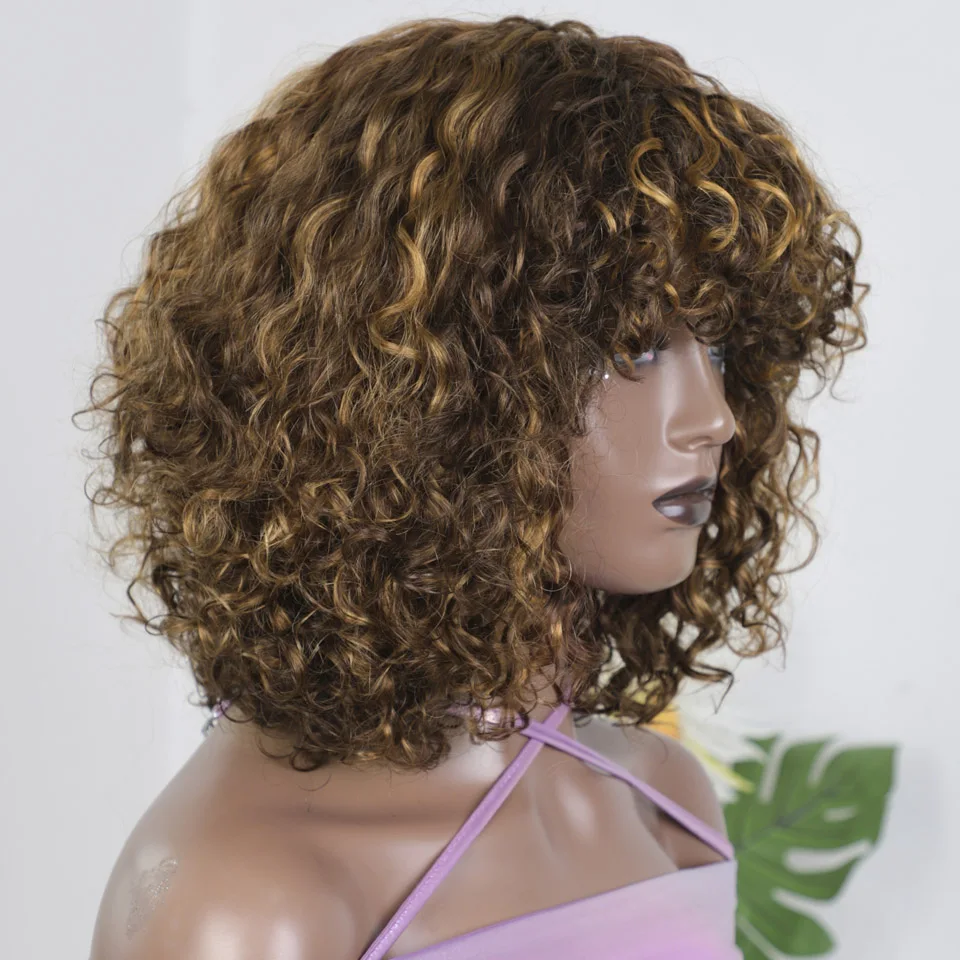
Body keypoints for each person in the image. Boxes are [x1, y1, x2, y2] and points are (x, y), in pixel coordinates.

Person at [80, 14, 869, 960]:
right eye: (632, 347)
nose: (715, 419)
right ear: (422, 391)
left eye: (721, 349)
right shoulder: (251, 898)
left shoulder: (664, 802)